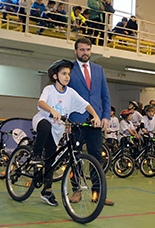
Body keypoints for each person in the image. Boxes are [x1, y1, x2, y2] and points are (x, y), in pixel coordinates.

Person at [31, 59, 100, 206]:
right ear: (55, 76)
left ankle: (47, 191)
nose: (67, 77)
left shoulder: (71, 93)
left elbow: (86, 105)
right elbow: (41, 103)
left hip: (57, 131)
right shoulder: (49, 90)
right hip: (42, 121)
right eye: (63, 74)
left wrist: (95, 116)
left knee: (52, 160)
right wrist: (52, 110)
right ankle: (35, 155)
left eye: (68, 74)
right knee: (45, 127)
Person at [68, 37, 114, 206]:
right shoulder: (69, 69)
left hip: (95, 122)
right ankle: (76, 191)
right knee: (75, 158)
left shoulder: (99, 69)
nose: (85, 52)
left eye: (87, 49)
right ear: (75, 51)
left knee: (96, 158)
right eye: (81, 50)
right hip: (76, 121)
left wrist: (106, 117)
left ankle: (99, 193)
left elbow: (105, 96)